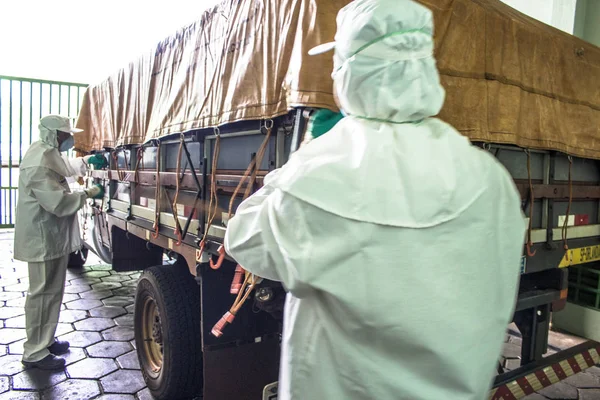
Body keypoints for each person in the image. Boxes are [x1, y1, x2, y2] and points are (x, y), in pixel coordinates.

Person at [224, 0, 525, 399]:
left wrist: (304, 156)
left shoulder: (321, 174)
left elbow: (244, 240)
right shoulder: (490, 178)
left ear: (352, 71)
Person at [14, 115, 104, 370]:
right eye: (66, 136)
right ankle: (34, 352)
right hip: (41, 239)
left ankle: (45, 339)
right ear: (54, 136)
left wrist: (86, 161)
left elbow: (64, 167)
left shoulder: (45, 152)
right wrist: (88, 193)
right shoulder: (39, 163)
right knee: (42, 295)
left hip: (49, 238)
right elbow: (58, 203)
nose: (70, 140)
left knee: (52, 292)